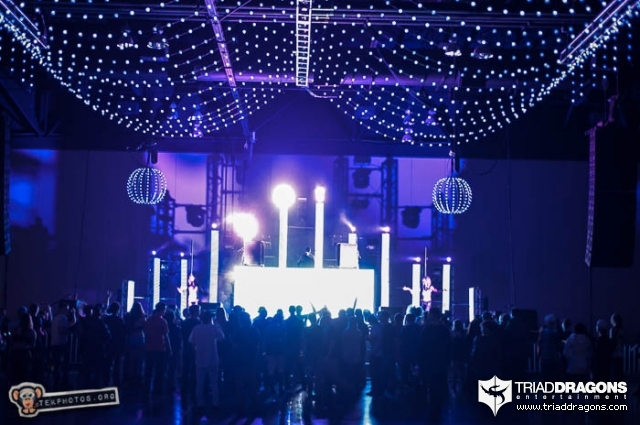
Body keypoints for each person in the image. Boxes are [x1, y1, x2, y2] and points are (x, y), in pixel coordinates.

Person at [189, 311, 225, 409]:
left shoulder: (196, 328)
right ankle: (215, 402)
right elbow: (222, 338)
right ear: (210, 318)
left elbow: (191, 342)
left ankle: (199, 403)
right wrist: (218, 326)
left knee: (199, 383)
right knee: (214, 383)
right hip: (213, 358)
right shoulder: (214, 328)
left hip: (199, 358)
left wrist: (194, 354)